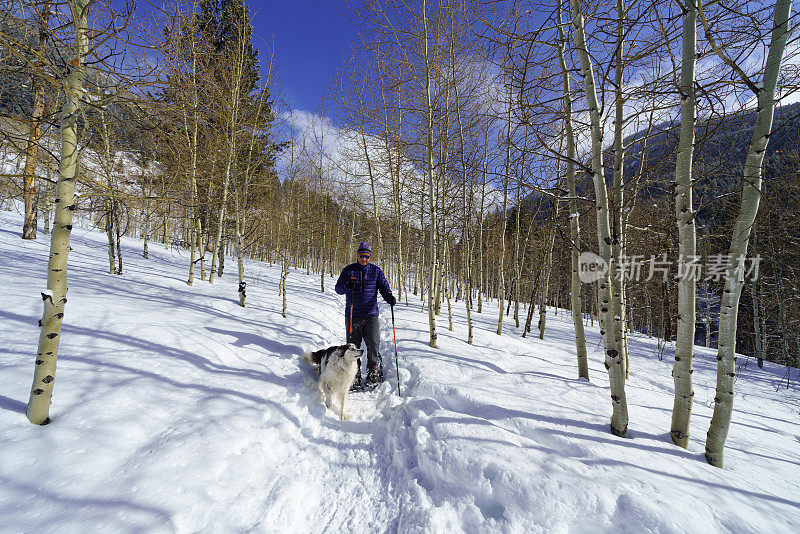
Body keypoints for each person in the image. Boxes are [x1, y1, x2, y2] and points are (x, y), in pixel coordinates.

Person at [335, 242, 396, 390]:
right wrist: (346, 285)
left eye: (367, 257)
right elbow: (338, 289)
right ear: (357, 255)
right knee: (353, 347)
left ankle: (373, 371)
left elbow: (384, 287)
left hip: (371, 315)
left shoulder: (376, 271)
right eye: (362, 256)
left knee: (373, 344)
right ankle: (354, 375)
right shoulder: (349, 271)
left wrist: (389, 297)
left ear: (370, 257)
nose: (364, 259)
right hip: (352, 314)